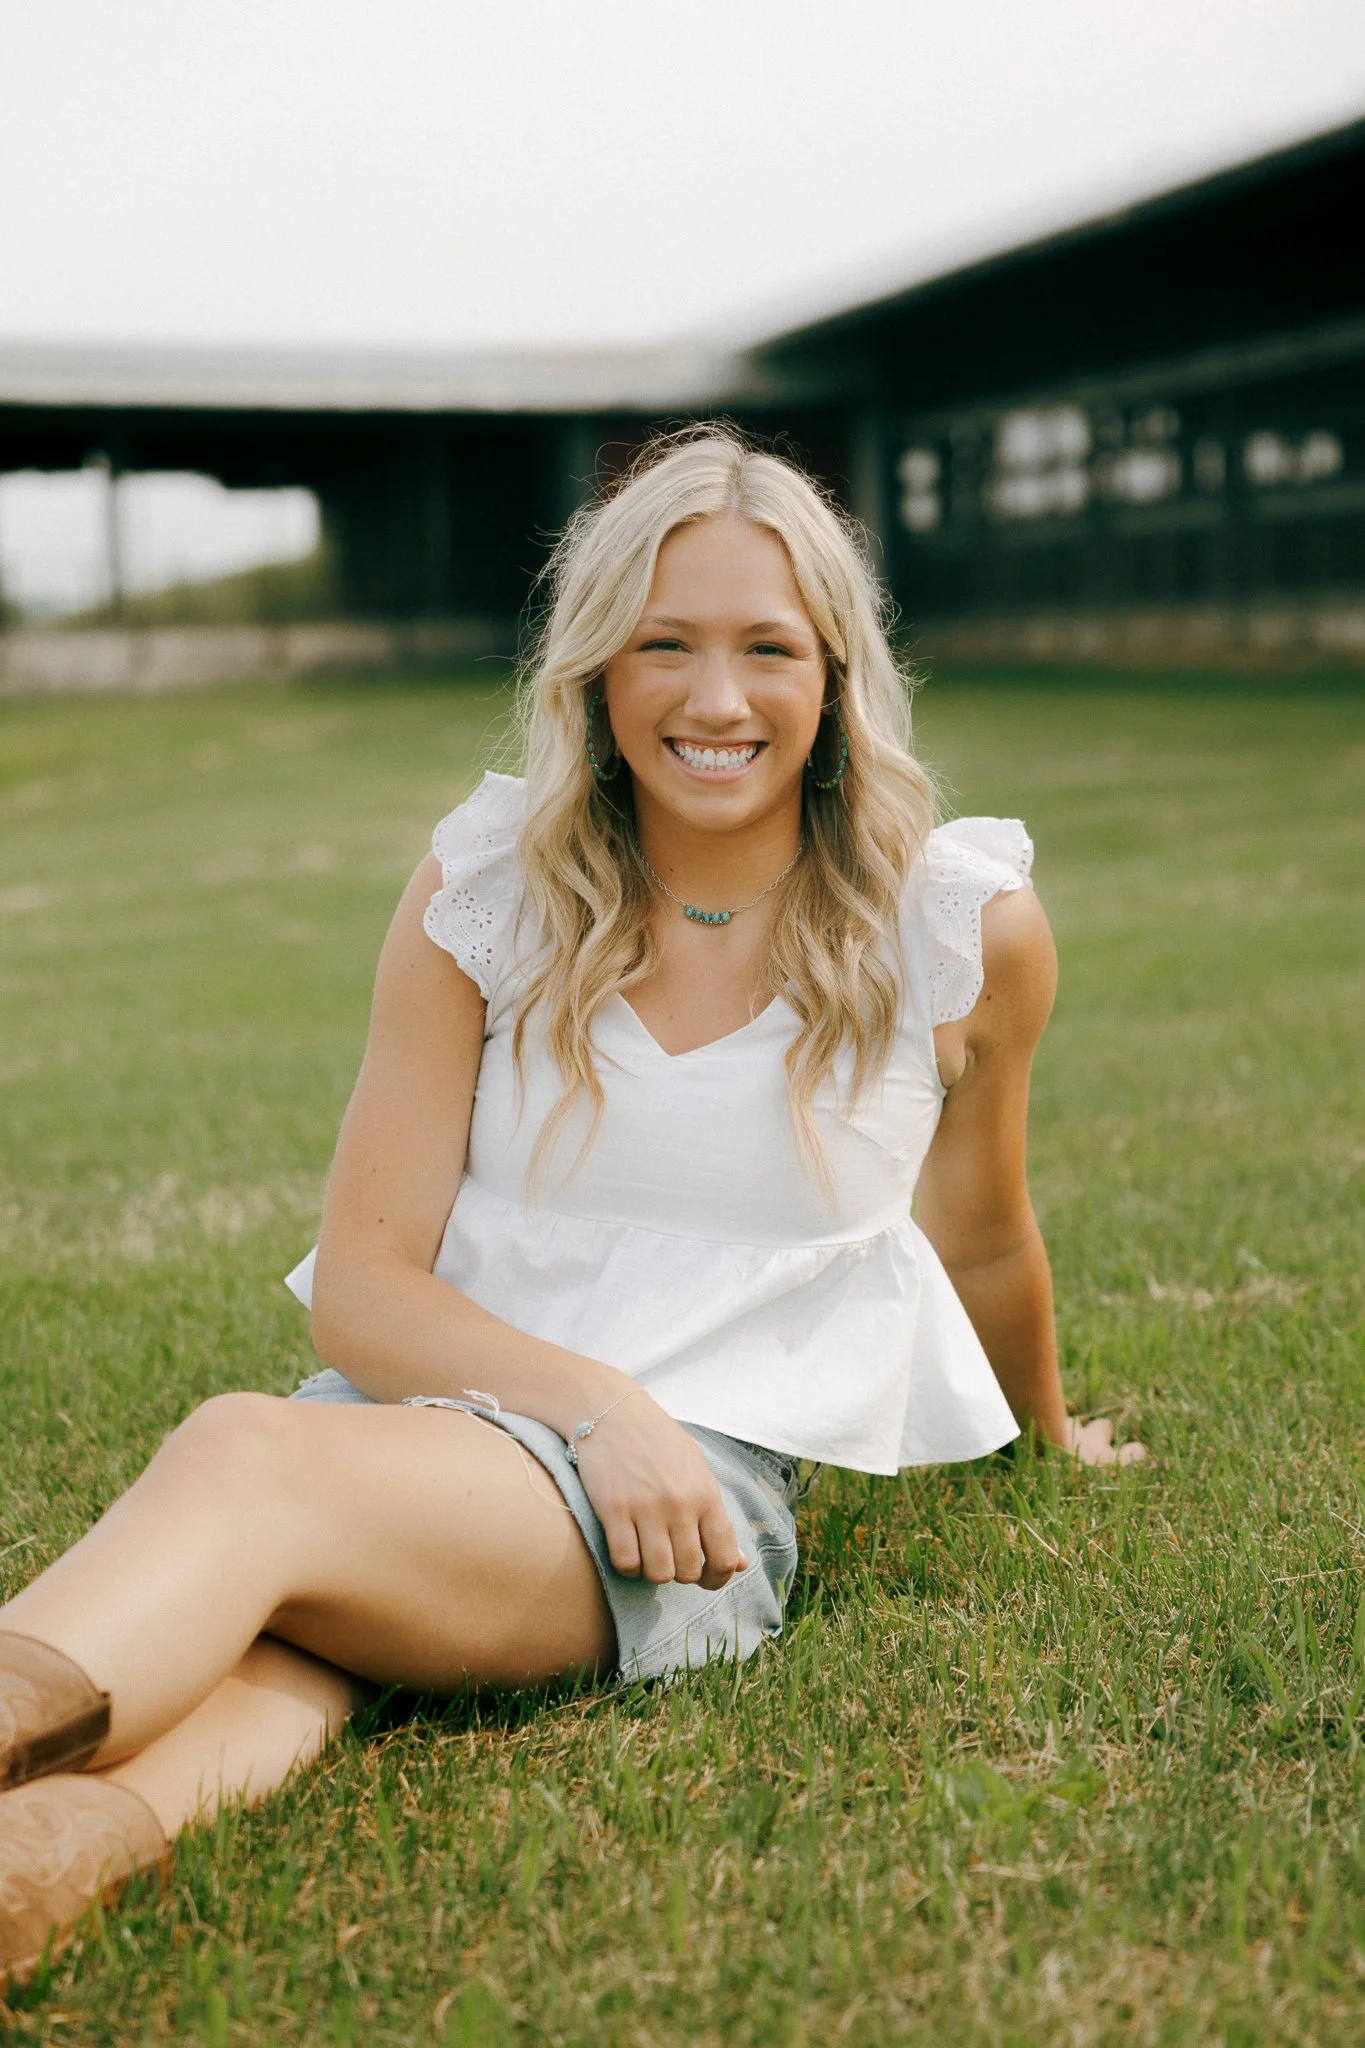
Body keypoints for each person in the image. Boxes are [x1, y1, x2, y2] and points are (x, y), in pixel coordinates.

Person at [0, 430, 1143, 1984]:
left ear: (838, 677)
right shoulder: (489, 888)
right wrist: (589, 1397)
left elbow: (986, 1229)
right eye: (663, 644)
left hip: (681, 1505)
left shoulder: (954, 927)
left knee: (245, 1453)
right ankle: (54, 1862)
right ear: (597, 672)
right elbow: (365, 1286)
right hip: (436, 1420)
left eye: (767, 649)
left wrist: (1049, 1426)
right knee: (291, 1647)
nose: (717, 699)